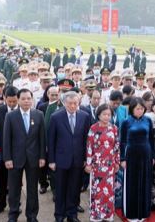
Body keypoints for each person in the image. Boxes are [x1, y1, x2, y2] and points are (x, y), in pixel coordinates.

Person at [3, 88, 46, 222]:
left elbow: (42, 138)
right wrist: (7, 158)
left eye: (29, 98)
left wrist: (42, 157)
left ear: (32, 100)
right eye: (23, 99)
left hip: (33, 158)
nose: (26, 101)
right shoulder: (10, 116)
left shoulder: (39, 115)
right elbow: (6, 139)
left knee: (32, 189)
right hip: (15, 158)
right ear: (18, 100)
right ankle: (13, 214)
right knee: (14, 189)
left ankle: (32, 215)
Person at [48, 91, 91, 222]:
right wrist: (51, 160)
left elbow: (86, 140)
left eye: (75, 103)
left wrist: (85, 158)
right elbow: (51, 140)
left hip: (78, 160)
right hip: (61, 160)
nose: (73, 106)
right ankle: (59, 215)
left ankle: (72, 214)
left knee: (74, 189)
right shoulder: (56, 117)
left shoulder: (84, 116)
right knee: (60, 189)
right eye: (70, 103)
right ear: (64, 103)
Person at [120, 97, 154, 220]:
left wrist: (153, 156)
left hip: (146, 155)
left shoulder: (148, 120)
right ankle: (131, 213)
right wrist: (122, 159)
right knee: (132, 185)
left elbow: (151, 139)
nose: (140, 111)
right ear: (132, 109)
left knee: (145, 183)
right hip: (131, 157)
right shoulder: (126, 122)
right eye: (137, 108)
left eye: (142, 108)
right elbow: (122, 141)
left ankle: (143, 213)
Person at [85, 104, 120, 222]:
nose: (106, 117)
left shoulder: (114, 128)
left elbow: (117, 146)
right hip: (97, 164)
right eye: (104, 114)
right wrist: (88, 164)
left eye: (109, 115)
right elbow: (89, 147)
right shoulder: (93, 128)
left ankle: (108, 214)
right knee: (97, 190)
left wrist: (116, 162)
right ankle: (96, 214)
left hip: (110, 164)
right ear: (98, 115)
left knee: (109, 190)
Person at [0, 86, 18, 215]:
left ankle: (15, 205)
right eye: (10, 101)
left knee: (15, 182)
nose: (12, 104)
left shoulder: (22, 111)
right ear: (4, 98)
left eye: (14, 101)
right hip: (0, 152)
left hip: (16, 153)